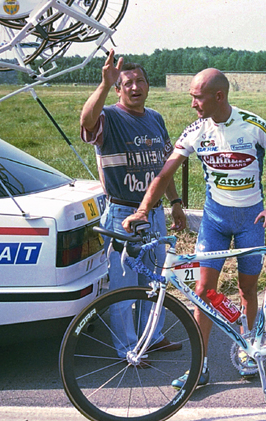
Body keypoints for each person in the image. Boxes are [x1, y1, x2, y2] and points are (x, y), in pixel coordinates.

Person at [123, 68, 266, 385]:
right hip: (215, 221)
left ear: (218, 96)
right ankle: (200, 367)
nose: (192, 104)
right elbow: (164, 174)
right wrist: (143, 210)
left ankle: (248, 349)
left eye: (197, 97)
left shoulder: (253, 125)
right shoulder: (195, 131)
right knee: (204, 292)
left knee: (247, 289)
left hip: (250, 220)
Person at [80, 49, 187, 362]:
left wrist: (176, 202)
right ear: (118, 89)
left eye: (140, 81)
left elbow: (163, 168)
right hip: (123, 215)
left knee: (154, 281)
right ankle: (128, 348)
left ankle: (151, 338)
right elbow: (86, 121)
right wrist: (102, 84)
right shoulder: (109, 118)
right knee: (124, 285)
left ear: (148, 86)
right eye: (127, 83)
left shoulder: (155, 119)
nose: (135, 87)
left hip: (153, 215)